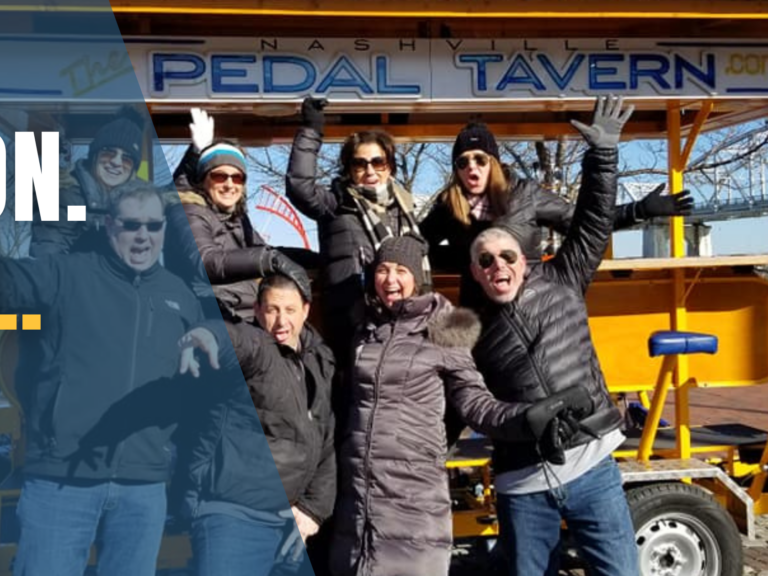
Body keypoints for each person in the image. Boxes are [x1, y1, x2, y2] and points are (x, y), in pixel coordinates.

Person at [0, 181, 223, 576]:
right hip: (61, 482)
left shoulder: (178, 296)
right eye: (132, 225)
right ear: (110, 225)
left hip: (143, 485)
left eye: (153, 225)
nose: (143, 235)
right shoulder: (67, 275)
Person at [331, 236, 576, 576]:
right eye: (383, 270)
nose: (390, 279)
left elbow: (473, 401)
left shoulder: (444, 328)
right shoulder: (367, 332)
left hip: (411, 493)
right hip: (358, 500)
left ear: (417, 278)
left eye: (401, 270)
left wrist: (523, 419)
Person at [468, 96, 640, 576]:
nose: (498, 265)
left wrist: (602, 156)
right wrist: (525, 421)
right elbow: (470, 404)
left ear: (525, 259)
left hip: (593, 469)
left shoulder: (564, 279)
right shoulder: (468, 329)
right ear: (475, 274)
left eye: (506, 256)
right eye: (485, 260)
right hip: (522, 486)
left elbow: (590, 221)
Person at [421, 117, 694, 310]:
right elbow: (420, 245)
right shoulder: (449, 205)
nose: (472, 167)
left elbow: (584, 224)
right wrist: (465, 260)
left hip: (530, 306)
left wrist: (639, 210)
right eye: (463, 161)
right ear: (456, 168)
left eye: (480, 159)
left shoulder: (525, 194)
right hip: (478, 315)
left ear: (493, 162)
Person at [181, 271, 334, 576]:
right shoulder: (259, 347)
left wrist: (313, 510)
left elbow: (326, 440)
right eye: (272, 310)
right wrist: (207, 336)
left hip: (291, 523)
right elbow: (236, 340)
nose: (281, 322)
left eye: (290, 310)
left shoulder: (319, 360)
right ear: (257, 310)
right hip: (234, 517)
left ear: (306, 309)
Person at [285, 97, 425, 372]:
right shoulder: (337, 203)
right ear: (349, 169)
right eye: (359, 164)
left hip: (404, 318)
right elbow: (300, 187)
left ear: (390, 166)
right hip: (353, 319)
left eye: (378, 162)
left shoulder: (405, 207)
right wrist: (312, 129)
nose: (369, 170)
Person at [170, 109, 317, 322]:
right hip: (216, 316)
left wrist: (319, 259)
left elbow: (262, 251)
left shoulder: (235, 218)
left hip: (248, 311)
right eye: (220, 176)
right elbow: (206, 261)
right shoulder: (191, 212)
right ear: (204, 180)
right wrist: (270, 260)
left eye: (237, 178)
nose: (229, 184)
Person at [31, 106, 146, 257]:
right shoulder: (69, 198)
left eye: (126, 158)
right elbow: (50, 250)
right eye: (108, 152)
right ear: (94, 155)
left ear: (133, 170)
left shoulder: (145, 202)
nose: (116, 162)